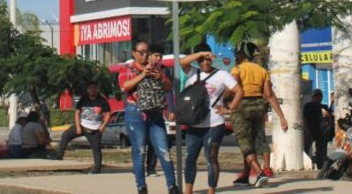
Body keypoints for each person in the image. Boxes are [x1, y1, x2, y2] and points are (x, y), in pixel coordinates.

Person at [180, 43, 242, 194]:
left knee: (211, 158)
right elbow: (182, 62)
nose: (205, 63)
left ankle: (211, 190)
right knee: (189, 159)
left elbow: (239, 91)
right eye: (201, 60)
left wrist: (228, 109)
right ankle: (188, 190)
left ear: (212, 59)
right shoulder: (192, 72)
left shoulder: (222, 75)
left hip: (214, 124)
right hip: (194, 124)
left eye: (208, 59)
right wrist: (201, 52)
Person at [119, 41, 178, 194]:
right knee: (140, 151)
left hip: (155, 113)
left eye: (146, 52)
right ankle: (141, 187)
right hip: (135, 112)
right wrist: (143, 74)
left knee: (164, 149)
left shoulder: (157, 68)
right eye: (141, 52)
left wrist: (161, 78)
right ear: (134, 53)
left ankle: (172, 186)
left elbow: (168, 88)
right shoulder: (128, 69)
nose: (144, 55)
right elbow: (124, 86)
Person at [230, 43, 288, 187]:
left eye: (237, 54)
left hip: (241, 108)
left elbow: (233, 88)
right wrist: (282, 117)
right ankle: (245, 176)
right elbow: (269, 95)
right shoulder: (262, 71)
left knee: (244, 143)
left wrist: (223, 99)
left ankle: (260, 173)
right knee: (254, 141)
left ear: (241, 55)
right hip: (258, 108)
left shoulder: (237, 69)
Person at [50, 80, 112, 173]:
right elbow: (77, 112)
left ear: (98, 89)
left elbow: (108, 113)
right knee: (66, 135)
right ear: (87, 90)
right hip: (82, 125)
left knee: (96, 149)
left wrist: (103, 125)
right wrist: (78, 126)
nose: (93, 90)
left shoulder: (102, 100)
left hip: (95, 129)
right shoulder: (83, 100)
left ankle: (97, 168)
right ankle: (59, 156)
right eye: (91, 88)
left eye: (95, 88)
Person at [303, 89, 331, 169]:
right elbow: (305, 119)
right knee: (305, 148)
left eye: (320, 96)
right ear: (312, 97)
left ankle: (320, 166)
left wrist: (328, 115)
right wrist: (308, 132)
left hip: (321, 133)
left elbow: (330, 121)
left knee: (321, 151)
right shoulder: (308, 106)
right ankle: (307, 165)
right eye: (316, 96)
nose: (318, 97)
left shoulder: (324, 107)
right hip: (309, 131)